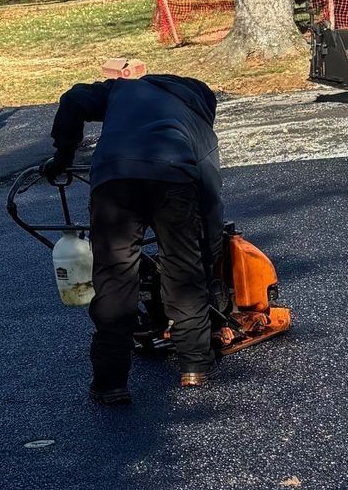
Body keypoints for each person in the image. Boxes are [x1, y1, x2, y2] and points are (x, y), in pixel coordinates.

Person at [43, 54, 223, 404]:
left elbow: (73, 100)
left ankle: (110, 382)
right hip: (173, 180)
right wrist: (210, 252)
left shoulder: (124, 91)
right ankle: (194, 367)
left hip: (114, 179)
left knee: (114, 276)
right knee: (182, 268)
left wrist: (62, 157)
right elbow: (211, 197)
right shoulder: (198, 119)